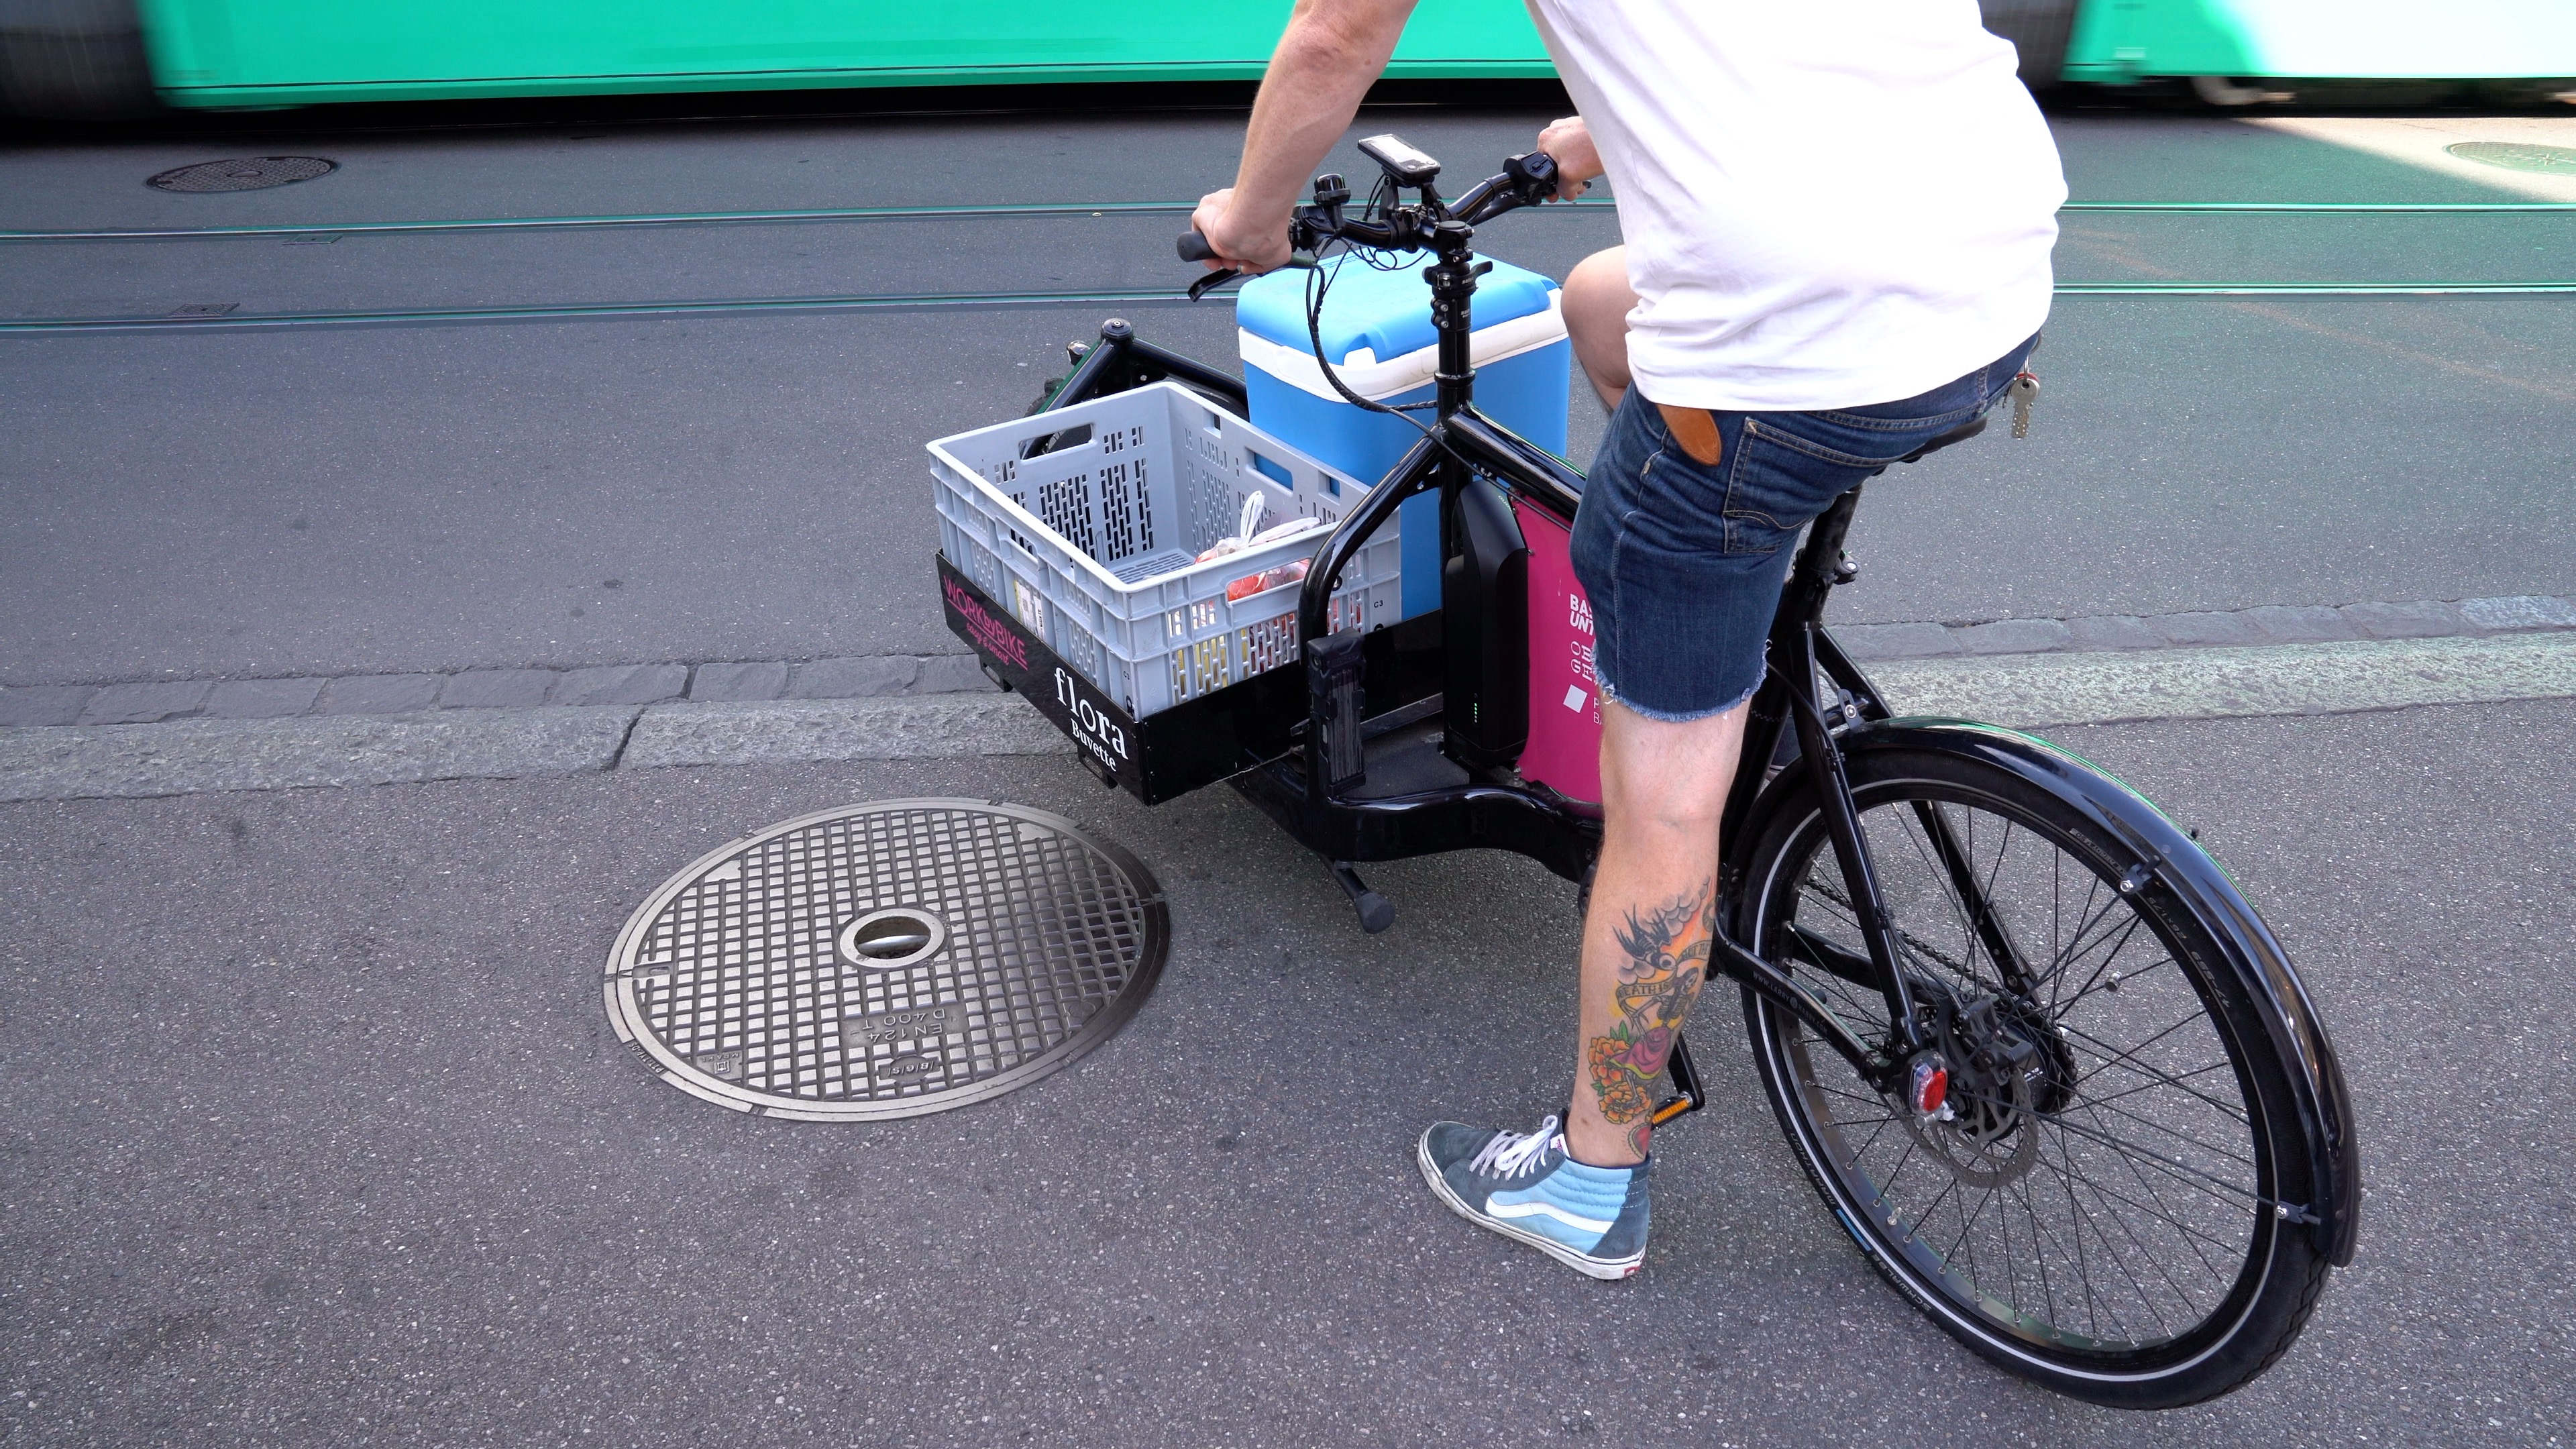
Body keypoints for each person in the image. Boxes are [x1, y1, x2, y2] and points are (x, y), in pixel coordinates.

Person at [1189, 0, 2065, 1279]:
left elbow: (1335, 31)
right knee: (1599, 296)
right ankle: (1732, 636)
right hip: (1986, 292)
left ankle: (1593, 1181)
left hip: (1786, 358)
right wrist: (1591, 140)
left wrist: (1250, 223)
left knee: (1662, 806)